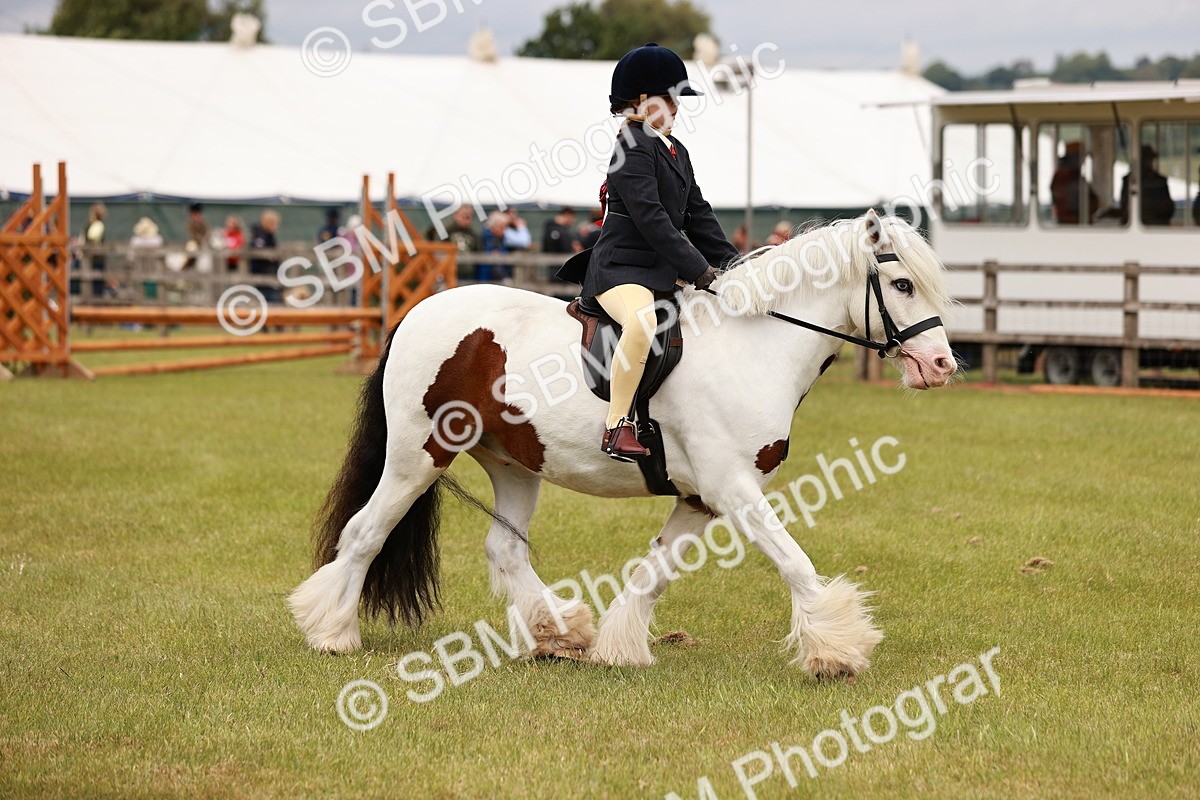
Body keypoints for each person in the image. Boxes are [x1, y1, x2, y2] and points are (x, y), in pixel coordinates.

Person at [557, 43, 739, 460]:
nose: (677, 108)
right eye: (670, 99)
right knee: (641, 323)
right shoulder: (631, 146)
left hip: (657, 272)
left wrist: (735, 265)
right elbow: (652, 219)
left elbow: (698, 213)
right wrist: (699, 269)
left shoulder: (675, 150)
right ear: (642, 101)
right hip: (621, 271)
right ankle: (616, 425)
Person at [1120, 145, 1175, 226]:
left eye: (1150, 159)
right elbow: (1124, 205)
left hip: (1157, 225)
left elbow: (1168, 209)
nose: (1148, 162)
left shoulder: (1159, 181)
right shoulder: (1129, 180)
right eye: (1146, 159)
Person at [1050, 142, 1098, 225]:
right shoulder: (1066, 177)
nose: (1083, 161)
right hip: (1072, 223)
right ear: (1074, 157)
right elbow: (1079, 202)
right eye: (1082, 157)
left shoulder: (1071, 175)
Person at [249, 210, 282, 301]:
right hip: (263, 272)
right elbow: (258, 250)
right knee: (271, 298)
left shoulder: (268, 235)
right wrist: (271, 257)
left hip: (269, 272)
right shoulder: (260, 234)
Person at [477, 211, 513, 282]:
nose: (504, 231)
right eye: (501, 228)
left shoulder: (501, 239)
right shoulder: (484, 238)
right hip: (485, 279)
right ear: (493, 227)